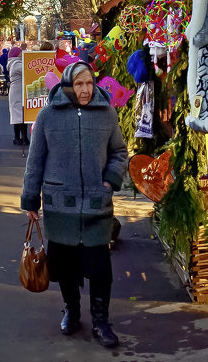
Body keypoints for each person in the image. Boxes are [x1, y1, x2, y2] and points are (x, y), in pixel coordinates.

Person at [21, 62, 128, 347]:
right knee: (64, 266)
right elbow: (35, 162)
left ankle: (101, 320)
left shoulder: (107, 113)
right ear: (69, 85)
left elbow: (119, 151)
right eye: (79, 84)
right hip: (60, 205)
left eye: (89, 84)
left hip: (96, 204)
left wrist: (110, 181)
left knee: (100, 268)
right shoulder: (48, 116)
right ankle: (71, 309)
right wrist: (31, 198)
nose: (85, 90)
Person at [7, 46, 28, 145]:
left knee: (21, 115)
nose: (22, 53)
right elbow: (28, 70)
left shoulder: (14, 63)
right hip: (18, 91)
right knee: (19, 115)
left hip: (18, 91)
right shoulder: (17, 64)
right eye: (20, 52)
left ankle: (21, 137)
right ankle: (19, 137)